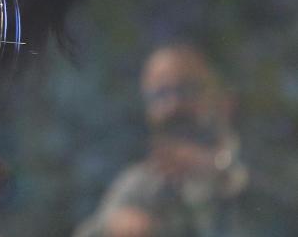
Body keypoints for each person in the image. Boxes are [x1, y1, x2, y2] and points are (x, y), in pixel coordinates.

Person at [75, 44, 281, 237]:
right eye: (159, 95)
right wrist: (112, 227)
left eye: (187, 89)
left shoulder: (271, 160)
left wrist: (217, 169)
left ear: (225, 100)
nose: (173, 105)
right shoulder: (140, 183)